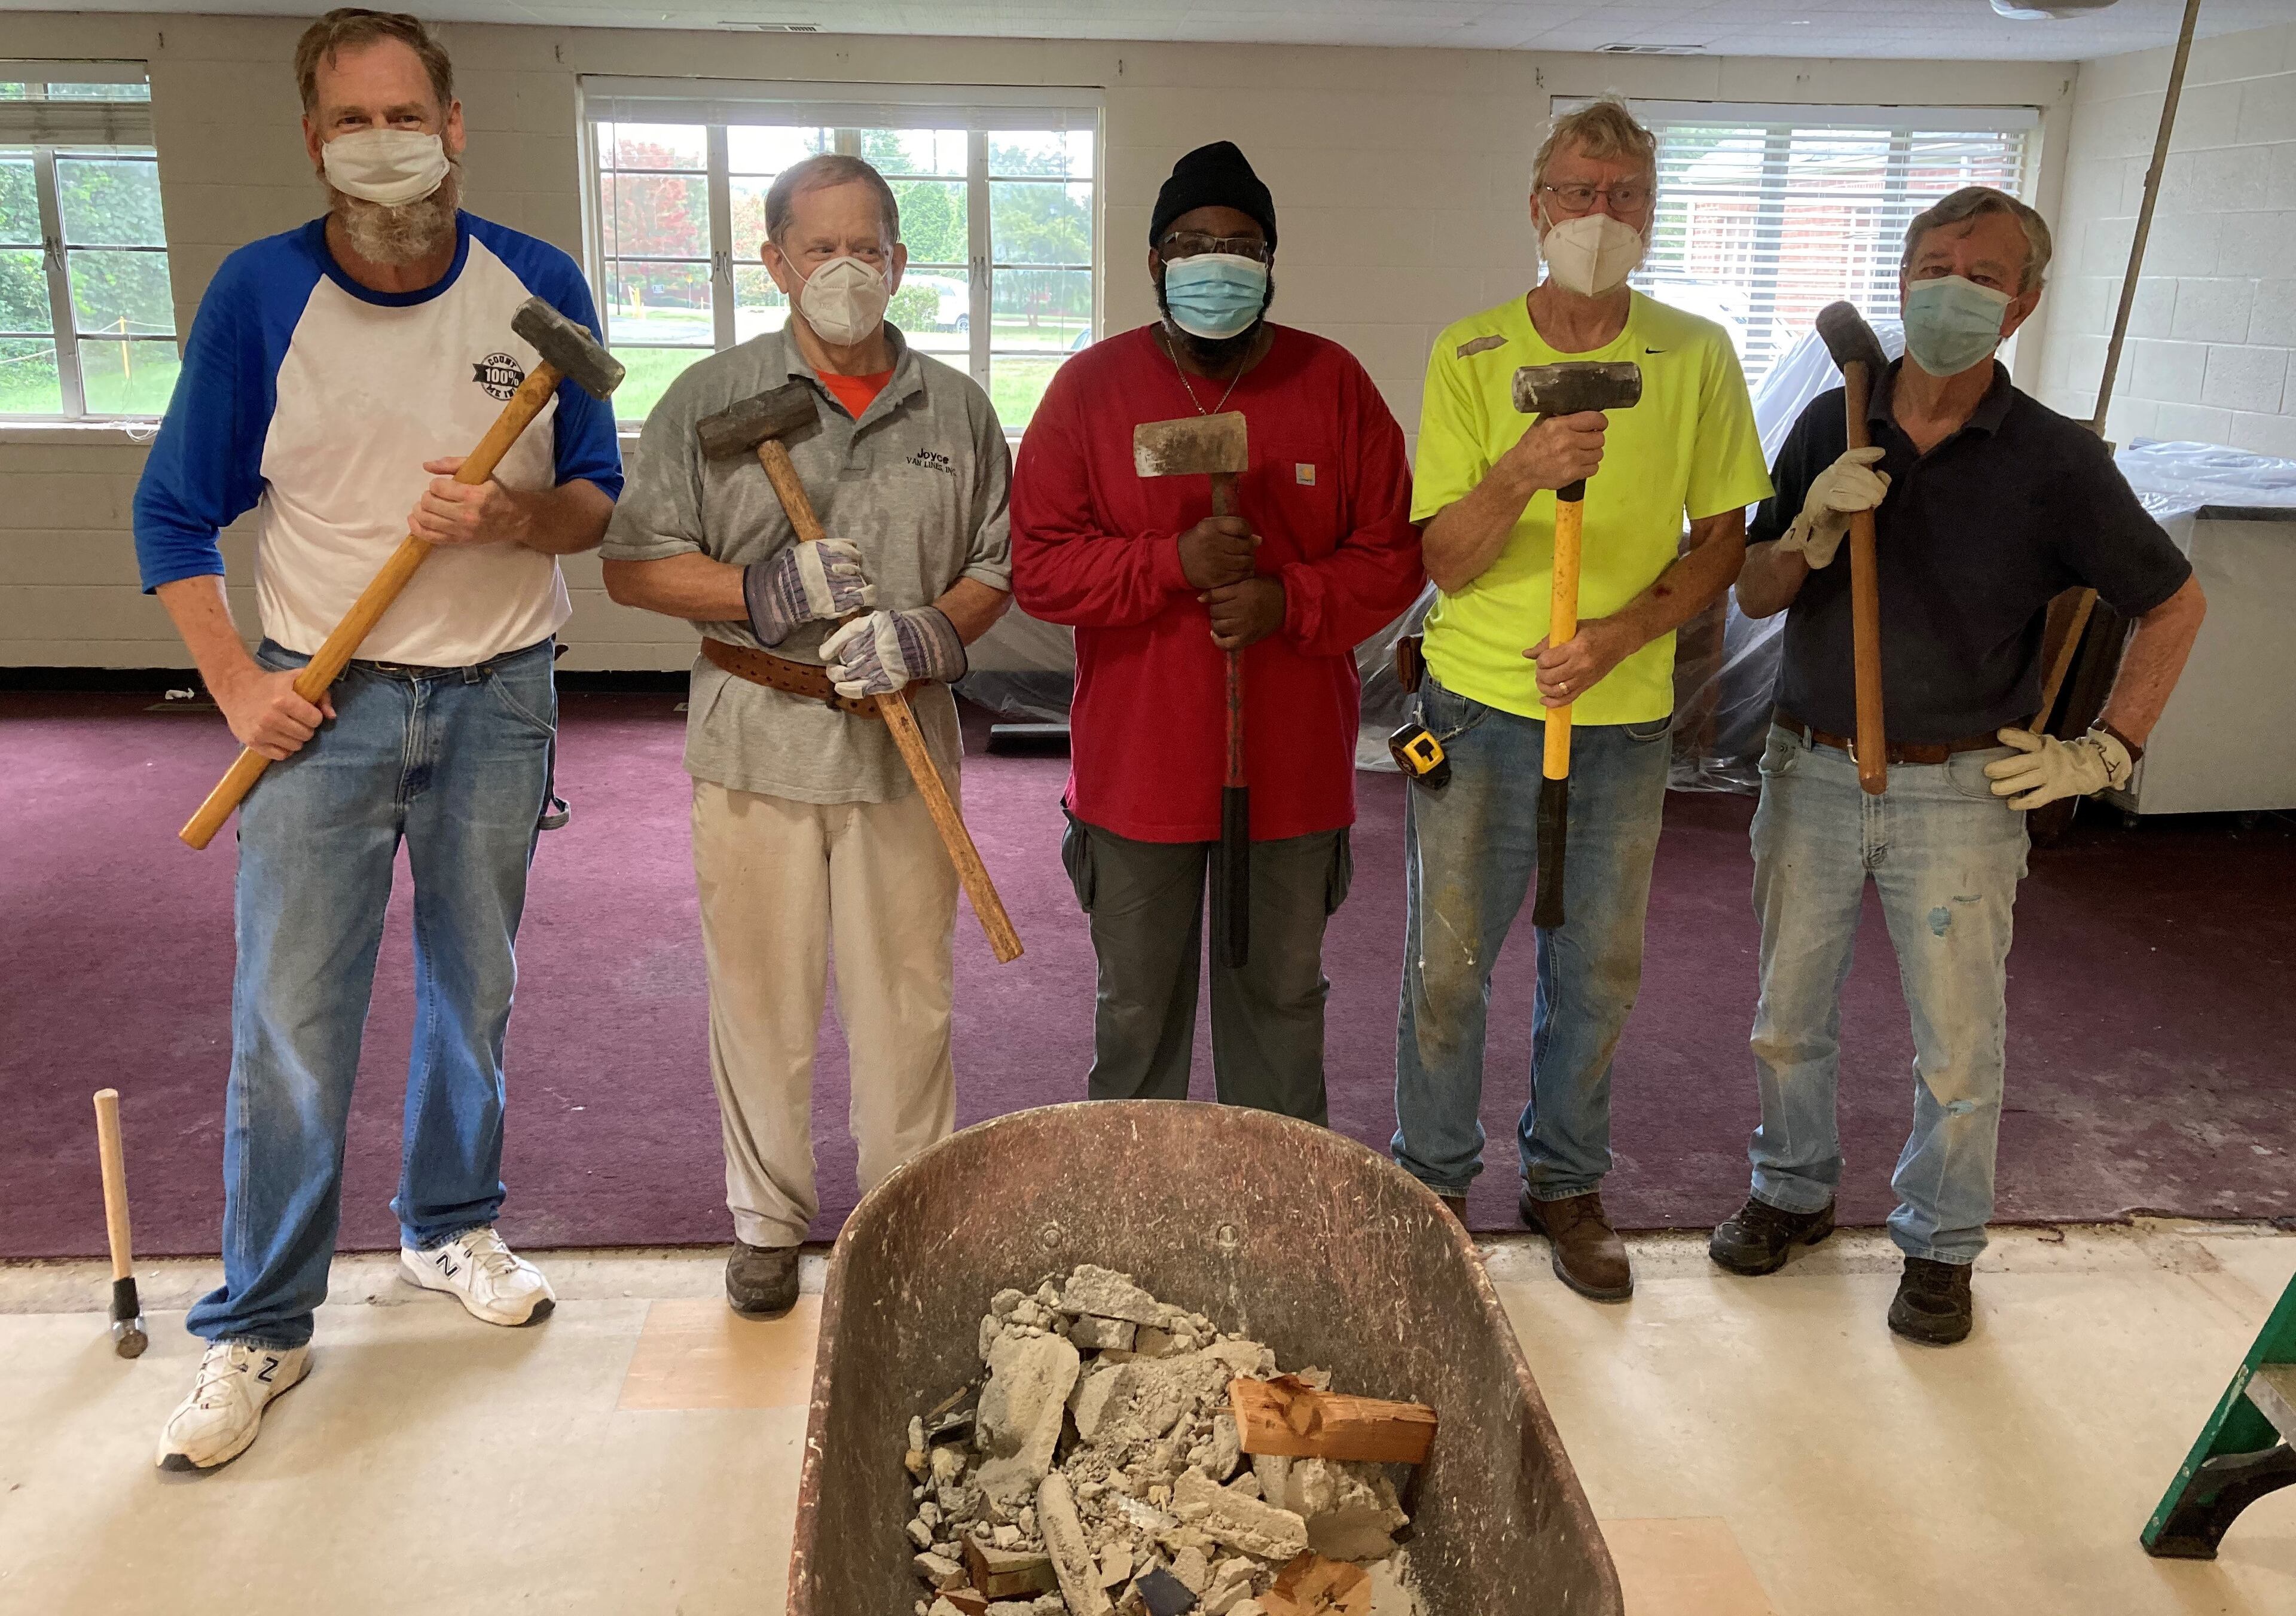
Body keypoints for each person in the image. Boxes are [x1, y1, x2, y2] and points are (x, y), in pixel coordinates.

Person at [130, 8, 621, 1472]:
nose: (384, 139)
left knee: (476, 987)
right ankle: (261, 1322)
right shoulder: (259, 292)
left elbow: (594, 503)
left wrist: (507, 516)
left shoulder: (536, 284)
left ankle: (451, 1228)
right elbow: (172, 512)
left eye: (406, 111)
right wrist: (233, 683)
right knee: (293, 1018)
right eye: (352, 119)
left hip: (501, 693)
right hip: (321, 700)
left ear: (456, 124)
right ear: (314, 140)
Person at [1712, 186, 2206, 1345]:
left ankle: (1939, 1242)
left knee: (1959, 1042)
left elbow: (2174, 602)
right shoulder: (1833, 417)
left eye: (1984, 275)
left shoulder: (2052, 459)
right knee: (1787, 1016)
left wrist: (2111, 743)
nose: (1954, 289)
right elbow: (1753, 590)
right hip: (1813, 766)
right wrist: (1809, 532)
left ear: (2023, 302)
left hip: (1964, 789)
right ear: (1899, 279)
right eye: (1935, 264)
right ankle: (1791, 1186)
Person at [602, 154, 1011, 1321]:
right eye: (818, 247)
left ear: (899, 259)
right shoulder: (708, 397)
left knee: (908, 995)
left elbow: (996, 562)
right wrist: (758, 590)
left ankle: (907, 1209)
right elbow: (632, 565)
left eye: (866, 245)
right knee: (763, 997)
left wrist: (929, 635)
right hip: (757, 741)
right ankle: (768, 1223)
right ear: (774, 260)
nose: (845, 267)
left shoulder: (956, 406)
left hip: (904, 744)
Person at [1396, 99, 1772, 1295]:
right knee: (1449, 966)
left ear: (1650, 217)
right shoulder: (1468, 354)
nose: (1598, 215)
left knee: (1597, 964)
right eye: (1577, 191)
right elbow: (1446, 560)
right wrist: (1527, 466)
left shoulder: (1696, 353)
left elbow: (1723, 540)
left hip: (1619, 715)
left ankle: (1565, 1180)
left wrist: (1617, 634)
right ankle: (1435, 1181)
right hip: (1476, 710)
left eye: (1625, 197)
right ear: (1535, 205)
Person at [1009, 142, 1421, 1123]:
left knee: (1281, 1007)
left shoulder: (1335, 385)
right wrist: (1170, 563)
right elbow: (1041, 568)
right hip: (1137, 777)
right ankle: (1134, 1214)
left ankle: (1271, 1222)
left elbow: (1394, 558)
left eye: (1243, 245)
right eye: (1193, 244)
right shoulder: (1090, 390)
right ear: (1155, 262)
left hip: (1290, 777)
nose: (1217, 263)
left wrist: (1291, 602)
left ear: (1272, 263)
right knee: (1137, 1014)